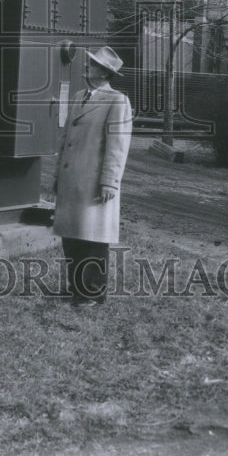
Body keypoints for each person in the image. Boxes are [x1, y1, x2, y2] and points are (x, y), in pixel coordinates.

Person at [52, 46, 133, 308]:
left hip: (94, 181)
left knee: (93, 237)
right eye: (89, 63)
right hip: (71, 178)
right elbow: (65, 138)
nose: (87, 66)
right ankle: (76, 288)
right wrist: (57, 175)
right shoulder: (78, 97)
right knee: (72, 235)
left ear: (104, 72)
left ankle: (93, 293)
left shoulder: (117, 101)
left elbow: (118, 145)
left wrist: (110, 180)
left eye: (92, 64)